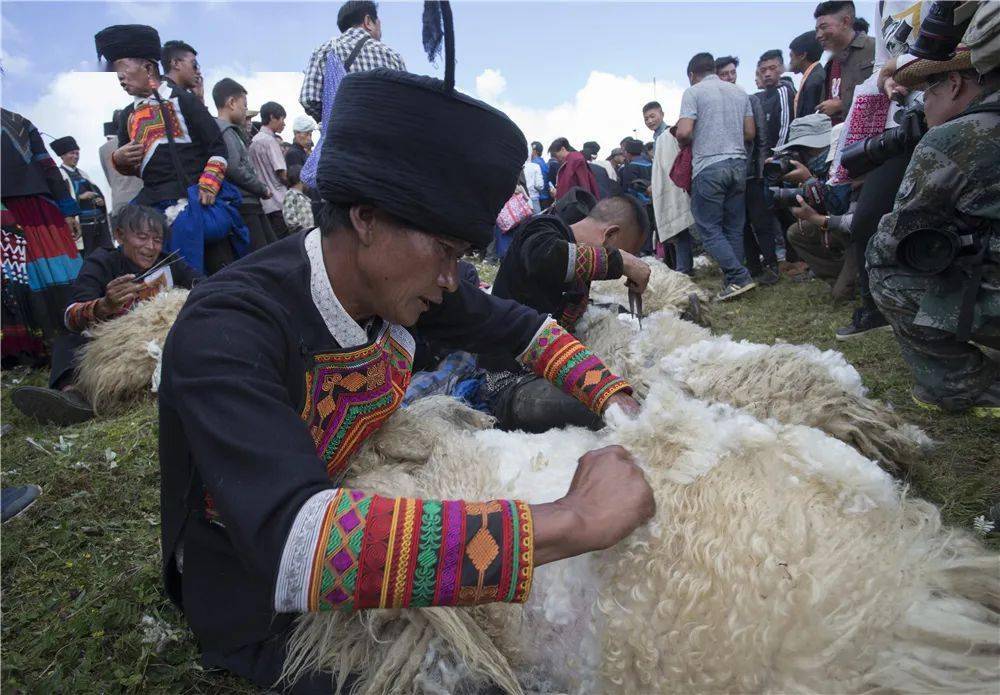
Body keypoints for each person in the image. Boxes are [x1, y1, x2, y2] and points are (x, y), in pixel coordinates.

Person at [158, 67, 652, 690]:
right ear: (366, 218)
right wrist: (574, 518)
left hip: (358, 490)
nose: (453, 279)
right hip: (257, 586)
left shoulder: (405, 283)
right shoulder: (228, 328)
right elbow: (297, 544)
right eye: (445, 251)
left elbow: (521, 328)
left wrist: (616, 397)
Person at [867, 47, 1000, 415]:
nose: (924, 104)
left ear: (954, 84)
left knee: (885, 270)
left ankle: (966, 385)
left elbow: (896, 238)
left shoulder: (956, 137)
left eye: (928, 91)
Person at [11, 205, 201, 425]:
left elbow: (203, 284)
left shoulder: (170, 263)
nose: (150, 247)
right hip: (111, 343)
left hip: (155, 341)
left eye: (157, 239)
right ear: (120, 235)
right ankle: (72, 396)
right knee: (69, 336)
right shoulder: (102, 262)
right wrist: (103, 306)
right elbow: (72, 312)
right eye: (142, 237)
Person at [486, 194, 651, 430]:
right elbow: (543, 257)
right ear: (610, 235)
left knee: (632, 392)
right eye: (623, 251)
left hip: (554, 370)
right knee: (611, 413)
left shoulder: (578, 276)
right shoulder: (543, 228)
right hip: (511, 383)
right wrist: (621, 262)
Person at [98, 24, 242, 276]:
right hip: (153, 202)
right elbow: (129, 164)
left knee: (215, 272)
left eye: (123, 68)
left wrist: (209, 183)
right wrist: (119, 159)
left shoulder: (184, 101)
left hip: (197, 199)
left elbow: (216, 147)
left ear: (148, 67)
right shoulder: (128, 116)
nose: (120, 77)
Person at [1, 109, 82, 363]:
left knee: (56, 275)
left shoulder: (21, 123)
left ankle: (75, 339)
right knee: (14, 281)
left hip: (38, 212)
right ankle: (28, 351)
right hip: (8, 213)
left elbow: (47, 165)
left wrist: (67, 208)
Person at [675, 52, 757, 300]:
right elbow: (750, 132)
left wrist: (685, 140)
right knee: (733, 226)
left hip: (709, 165)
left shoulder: (694, 92)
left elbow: (684, 132)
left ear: (692, 75)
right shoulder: (739, 92)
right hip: (738, 164)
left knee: (708, 227)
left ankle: (739, 276)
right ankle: (734, 281)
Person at [778, 113, 859, 300]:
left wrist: (809, 181)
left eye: (805, 149)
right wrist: (786, 180)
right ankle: (842, 276)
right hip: (833, 227)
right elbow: (802, 211)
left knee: (841, 296)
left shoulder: (844, 160)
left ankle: (860, 277)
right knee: (796, 232)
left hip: (855, 232)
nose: (802, 154)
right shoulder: (813, 167)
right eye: (798, 150)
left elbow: (840, 209)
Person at [717, 56, 780, 285]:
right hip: (730, 176)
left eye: (732, 73)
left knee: (761, 221)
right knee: (739, 225)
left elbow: (762, 138)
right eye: (724, 74)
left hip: (752, 174)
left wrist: (761, 169)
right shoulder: (717, 107)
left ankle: (772, 265)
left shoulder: (750, 100)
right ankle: (753, 267)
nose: (729, 77)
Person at [299, 0, 407, 122]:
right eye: (379, 25)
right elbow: (405, 103)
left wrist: (334, 121)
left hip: (341, 136)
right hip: (386, 135)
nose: (380, 32)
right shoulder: (393, 56)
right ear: (368, 22)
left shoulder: (325, 50)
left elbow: (308, 99)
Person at [213, 78, 277, 251]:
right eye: (245, 105)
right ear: (232, 103)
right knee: (262, 255)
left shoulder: (231, 132)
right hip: (244, 204)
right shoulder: (225, 131)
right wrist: (261, 188)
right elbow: (234, 167)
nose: (245, 111)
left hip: (250, 202)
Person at [51, 136, 114, 257]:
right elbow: (58, 199)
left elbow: (94, 192)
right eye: (71, 153)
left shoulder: (83, 174)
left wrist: (99, 200)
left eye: (77, 153)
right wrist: (80, 197)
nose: (75, 156)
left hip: (98, 224)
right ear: (62, 156)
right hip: (82, 228)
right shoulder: (59, 175)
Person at [814, 1, 876, 124]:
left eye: (824, 27)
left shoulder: (875, 48)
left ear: (845, 22)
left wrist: (842, 106)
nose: (818, 35)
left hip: (872, 137)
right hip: (837, 137)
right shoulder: (831, 63)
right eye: (816, 30)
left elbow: (890, 92)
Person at [249, 101, 290, 239]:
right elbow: (281, 173)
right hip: (279, 202)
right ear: (272, 117)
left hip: (264, 203)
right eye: (282, 119)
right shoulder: (271, 141)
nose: (283, 123)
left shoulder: (254, 142)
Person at [98, 112, 144, 215]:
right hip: (143, 198)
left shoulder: (103, 149)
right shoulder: (141, 139)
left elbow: (109, 178)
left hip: (119, 200)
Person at [757, 50, 796, 149]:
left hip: (777, 156)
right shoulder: (760, 97)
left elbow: (785, 128)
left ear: (782, 69)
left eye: (772, 68)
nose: (767, 74)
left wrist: (776, 155)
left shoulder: (784, 93)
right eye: (763, 70)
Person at [789, 31, 827, 119]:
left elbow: (809, 118)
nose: (790, 62)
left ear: (802, 55)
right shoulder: (814, 76)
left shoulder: (814, 80)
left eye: (791, 56)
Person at [281, 164, 315, 234]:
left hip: (309, 233)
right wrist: (301, 230)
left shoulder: (302, 196)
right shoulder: (290, 195)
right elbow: (289, 217)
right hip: (302, 235)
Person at [530, 141, 552, 209]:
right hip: (546, 197)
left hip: (538, 199)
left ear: (534, 151)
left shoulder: (533, 164)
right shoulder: (544, 163)